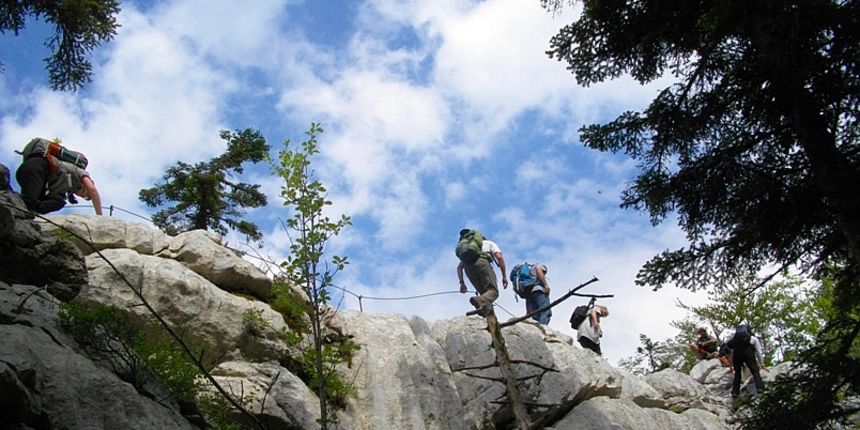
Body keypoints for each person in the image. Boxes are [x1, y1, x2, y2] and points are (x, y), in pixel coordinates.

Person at [16, 138, 102, 215]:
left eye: (85, 197)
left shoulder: (64, 188)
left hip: (28, 171)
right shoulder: (79, 172)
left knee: (56, 202)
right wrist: (99, 216)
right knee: (28, 203)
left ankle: (31, 212)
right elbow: (92, 190)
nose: (83, 195)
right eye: (86, 194)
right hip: (38, 168)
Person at [457, 229, 508, 316]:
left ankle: (490, 320)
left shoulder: (467, 249)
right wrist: (504, 277)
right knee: (493, 292)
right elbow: (499, 257)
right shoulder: (488, 243)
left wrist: (462, 283)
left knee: (485, 297)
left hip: (468, 268)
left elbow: (459, 267)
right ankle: (481, 303)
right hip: (482, 263)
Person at [725, 324, 766, 398]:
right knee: (755, 370)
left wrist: (731, 365)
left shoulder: (734, 338)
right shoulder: (752, 338)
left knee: (737, 373)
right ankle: (760, 388)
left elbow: (728, 346)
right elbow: (759, 352)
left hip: (737, 354)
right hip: (748, 352)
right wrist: (762, 364)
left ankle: (735, 392)